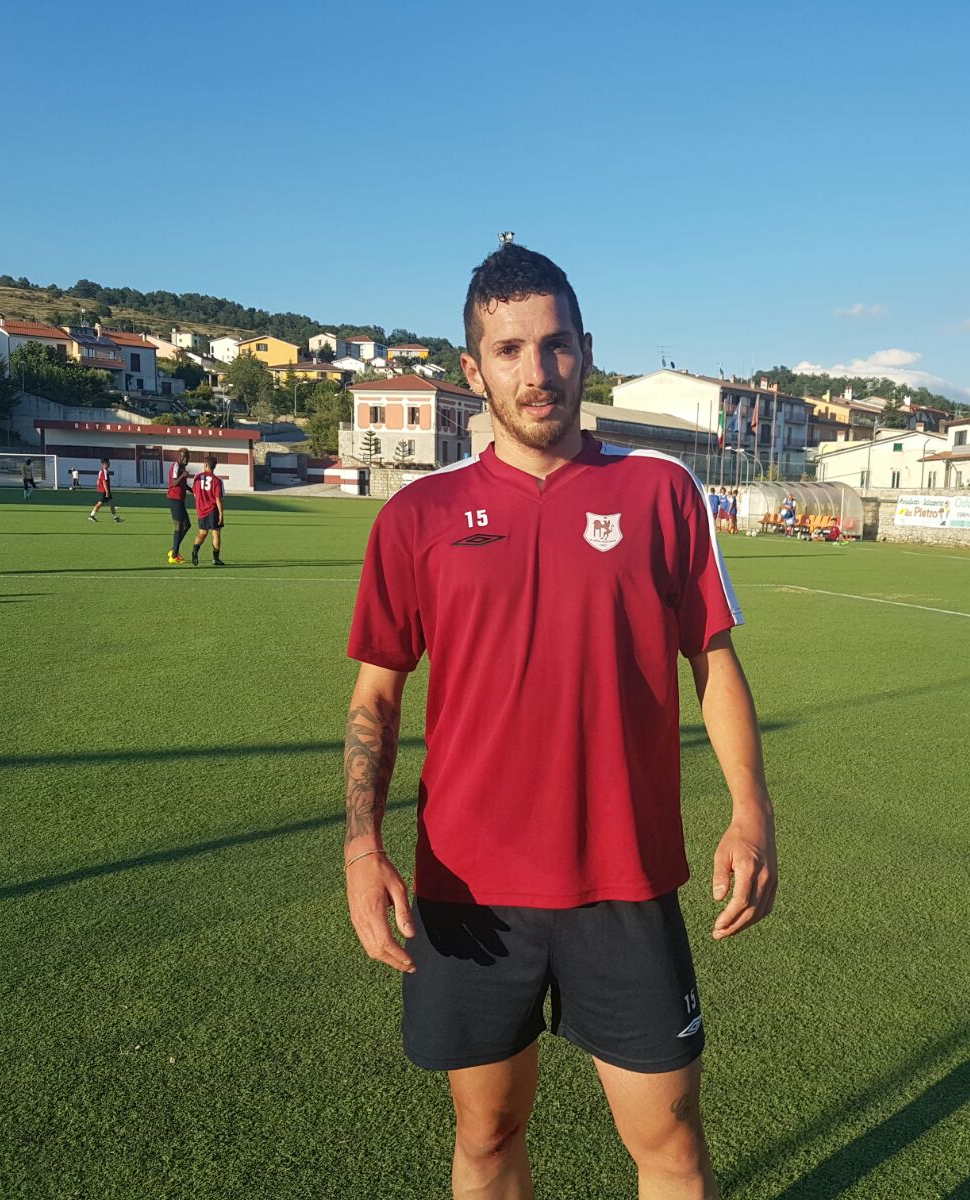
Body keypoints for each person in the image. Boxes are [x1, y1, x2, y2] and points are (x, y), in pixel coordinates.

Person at [344, 243, 776, 1200]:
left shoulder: (660, 492)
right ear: (474, 371)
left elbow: (713, 662)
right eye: (508, 350)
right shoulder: (418, 515)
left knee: (671, 1147)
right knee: (487, 1135)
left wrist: (751, 812)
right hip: (468, 889)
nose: (536, 372)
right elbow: (376, 698)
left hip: (623, 878)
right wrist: (362, 846)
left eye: (555, 345)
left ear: (587, 351)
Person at [189, 455, 225, 566]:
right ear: (215, 466)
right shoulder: (217, 481)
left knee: (202, 533)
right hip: (213, 510)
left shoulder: (197, 477)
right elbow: (218, 498)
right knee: (216, 533)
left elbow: (195, 494)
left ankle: (195, 550)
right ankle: (216, 559)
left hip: (201, 510)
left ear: (205, 465)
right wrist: (221, 513)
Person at [166, 449, 193, 564]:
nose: (186, 459)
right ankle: (174, 556)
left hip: (180, 499)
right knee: (179, 525)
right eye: (184, 457)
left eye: (187, 457)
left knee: (187, 525)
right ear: (179, 457)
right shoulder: (176, 466)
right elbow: (174, 483)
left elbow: (183, 484)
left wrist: (193, 491)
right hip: (174, 498)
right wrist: (182, 475)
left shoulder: (182, 467)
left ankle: (174, 549)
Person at [88, 457, 122, 523]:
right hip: (104, 490)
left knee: (112, 502)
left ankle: (115, 518)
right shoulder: (104, 472)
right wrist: (107, 491)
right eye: (108, 463)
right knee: (100, 503)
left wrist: (100, 487)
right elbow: (104, 482)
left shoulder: (101, 471)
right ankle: (91, 516)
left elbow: (98, 481)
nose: (109, 464)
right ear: (105, 464)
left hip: (103, 490)